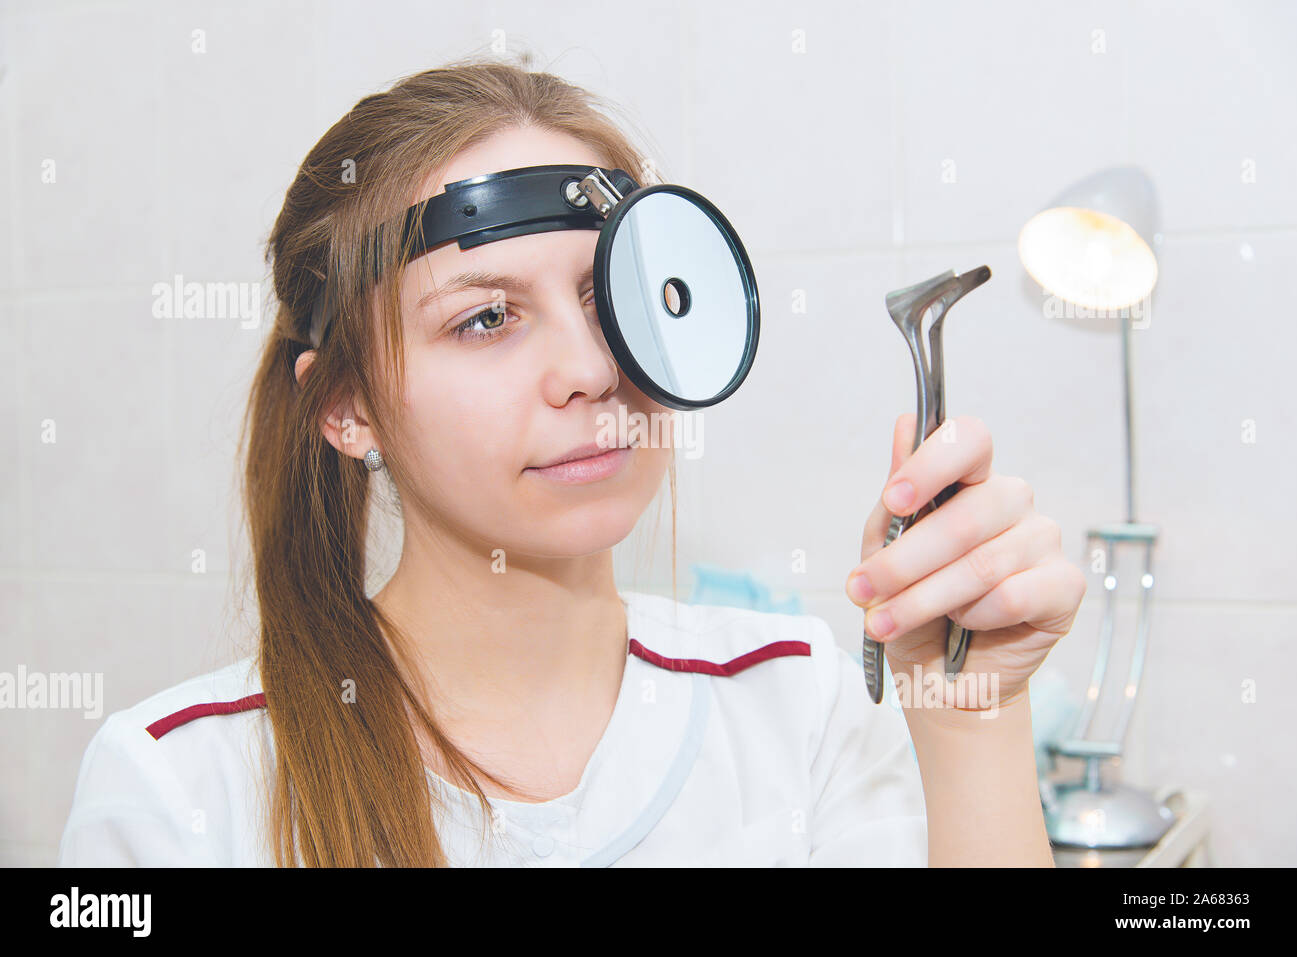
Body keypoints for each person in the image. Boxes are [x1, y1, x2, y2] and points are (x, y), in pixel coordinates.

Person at [58, 55, 1085, 867]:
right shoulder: (179, 792)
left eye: (612, 301)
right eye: (488, 317)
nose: (593, 370)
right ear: (345, 406)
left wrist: (976, 718)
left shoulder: (797, 705)